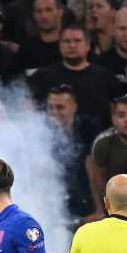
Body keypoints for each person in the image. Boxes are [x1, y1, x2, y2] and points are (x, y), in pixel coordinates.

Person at [29, 23, 127, 128]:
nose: (72, 45)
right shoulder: (42, 77)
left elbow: (119, 113)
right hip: (53, 140)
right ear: (59, 45)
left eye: (77, 41)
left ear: (88, 45)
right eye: (67, 41)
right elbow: (28, 111)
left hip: (97, 141)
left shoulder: (106, 78)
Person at [47, 85, 102, 222]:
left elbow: (95, 169)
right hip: (53, 200)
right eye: (51, 107)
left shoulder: (89, 128)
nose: (54, 112)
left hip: (85, 199)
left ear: (74, 107)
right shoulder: (41, 131)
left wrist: (99, 209)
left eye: (60, 107)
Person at [17, 0, 64, 74]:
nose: (44, 16)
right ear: (34, 15)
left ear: (60, 12)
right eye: (38, 11)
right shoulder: (26, 48)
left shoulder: (74, 44)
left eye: (49, 10)